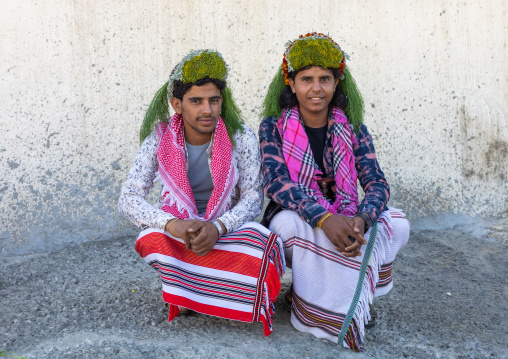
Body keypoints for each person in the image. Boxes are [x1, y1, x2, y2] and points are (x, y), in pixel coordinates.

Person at [258, 33, 410, 351]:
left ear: (337, 81)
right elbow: (276, 183)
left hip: (349, 214)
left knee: (398, 225)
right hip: (300, 219)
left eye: (325, 79)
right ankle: (310, 302)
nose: (316, 88)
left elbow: (377, 183)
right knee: (288, 226)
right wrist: (324, 218)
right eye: (307, 79)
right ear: (291, 82)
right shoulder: (272, 126)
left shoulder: (354, 128)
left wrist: (362, 219)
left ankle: (354, 295)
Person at [119, 49, 284, 336]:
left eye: (214, 100)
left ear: (222, 102)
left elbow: (253, 198)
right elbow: (129, 199)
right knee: (149, 238)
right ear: (177, 104)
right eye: (196, 101)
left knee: (261, 244)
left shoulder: (240, 136)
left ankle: (189, 289)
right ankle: (208, 290)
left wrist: (218, 227)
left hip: (226, 231)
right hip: (179, 232)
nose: (207, 110)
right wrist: (173, 224)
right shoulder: (158, 139)